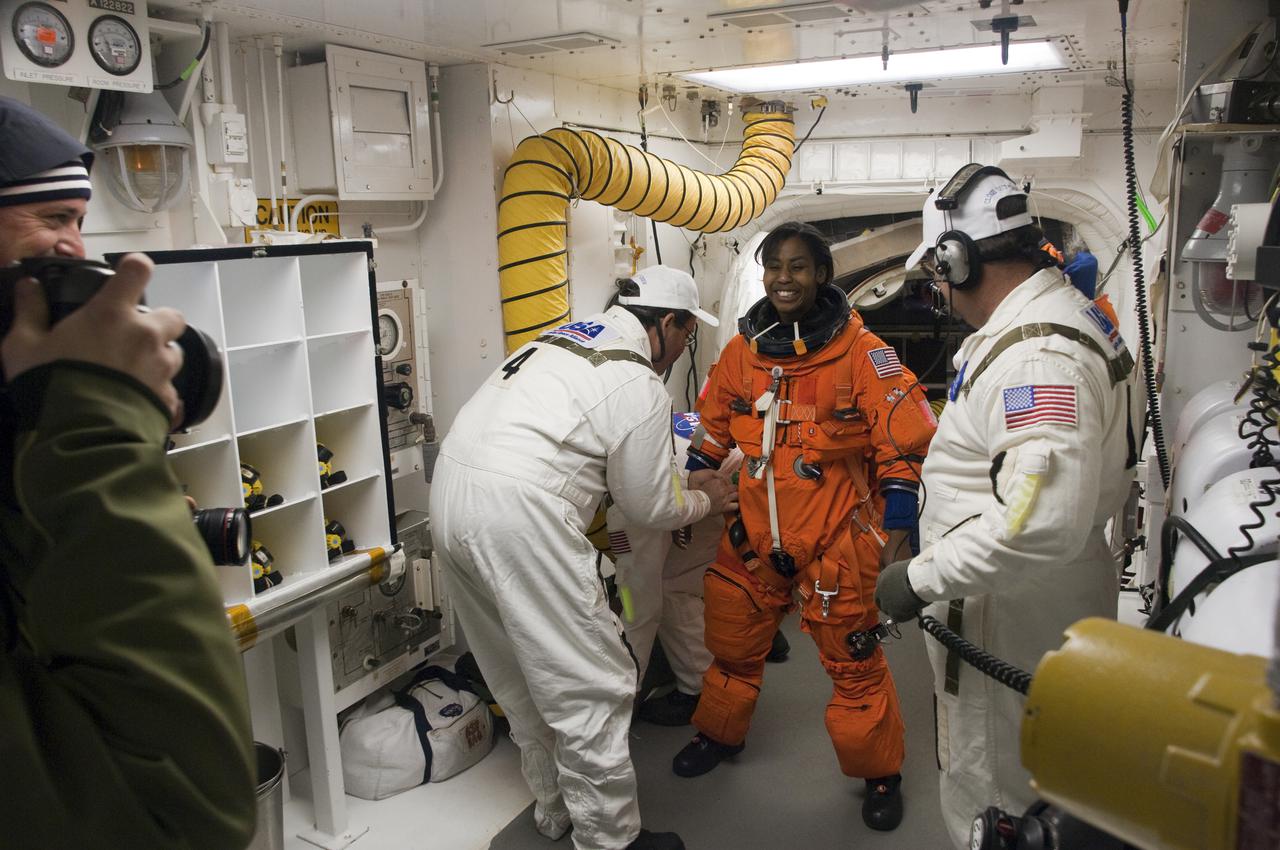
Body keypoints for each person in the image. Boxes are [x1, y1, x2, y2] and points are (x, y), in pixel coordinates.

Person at [0, 96, 257, 848]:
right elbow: (183, 816)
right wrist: (97, 431)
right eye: (53, 218)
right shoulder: (79, 436)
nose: (72, 250)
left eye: (80, 222)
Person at [429, 265, 736, 850]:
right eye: (687, 334)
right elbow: (650, 506)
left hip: (450, 495)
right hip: (519, 514)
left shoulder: (558, 341)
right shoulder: (637, 381)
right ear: (669, 324)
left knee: (517, 671)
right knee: (594, 684)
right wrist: (706, 499)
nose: (683, 348)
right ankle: (610, 840)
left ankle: (554, 809)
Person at [876, 163, 1137, 848]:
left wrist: (918, 578)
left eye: (937, 273)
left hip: (1008, 610)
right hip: (1032, 592)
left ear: (957, 261)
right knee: (1041, 777)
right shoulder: (1062, 317)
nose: (938, 290)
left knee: (998, 790)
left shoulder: (1036, 358)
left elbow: (1039, 521)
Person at [672, 220, 938, 832]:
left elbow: (905, 445)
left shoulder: (862, 353)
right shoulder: (742, 353)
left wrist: (900, 536)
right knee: (732, 647)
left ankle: (880, 773)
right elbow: (713, 429)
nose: (783, 278)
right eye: (773, 266)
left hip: (835, 545)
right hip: (754, 540)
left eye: (797, 266)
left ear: (821, 274)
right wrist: (694, 483)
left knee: (854, 666)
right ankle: (719, 734)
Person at [606, 415, 744, 727]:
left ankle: (693, 694)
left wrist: (626, 700)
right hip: (728, 458)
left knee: (655, 593)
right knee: (683, 582)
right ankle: (718, 677)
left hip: (700, 478)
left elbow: (637, 606)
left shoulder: (626, 500)